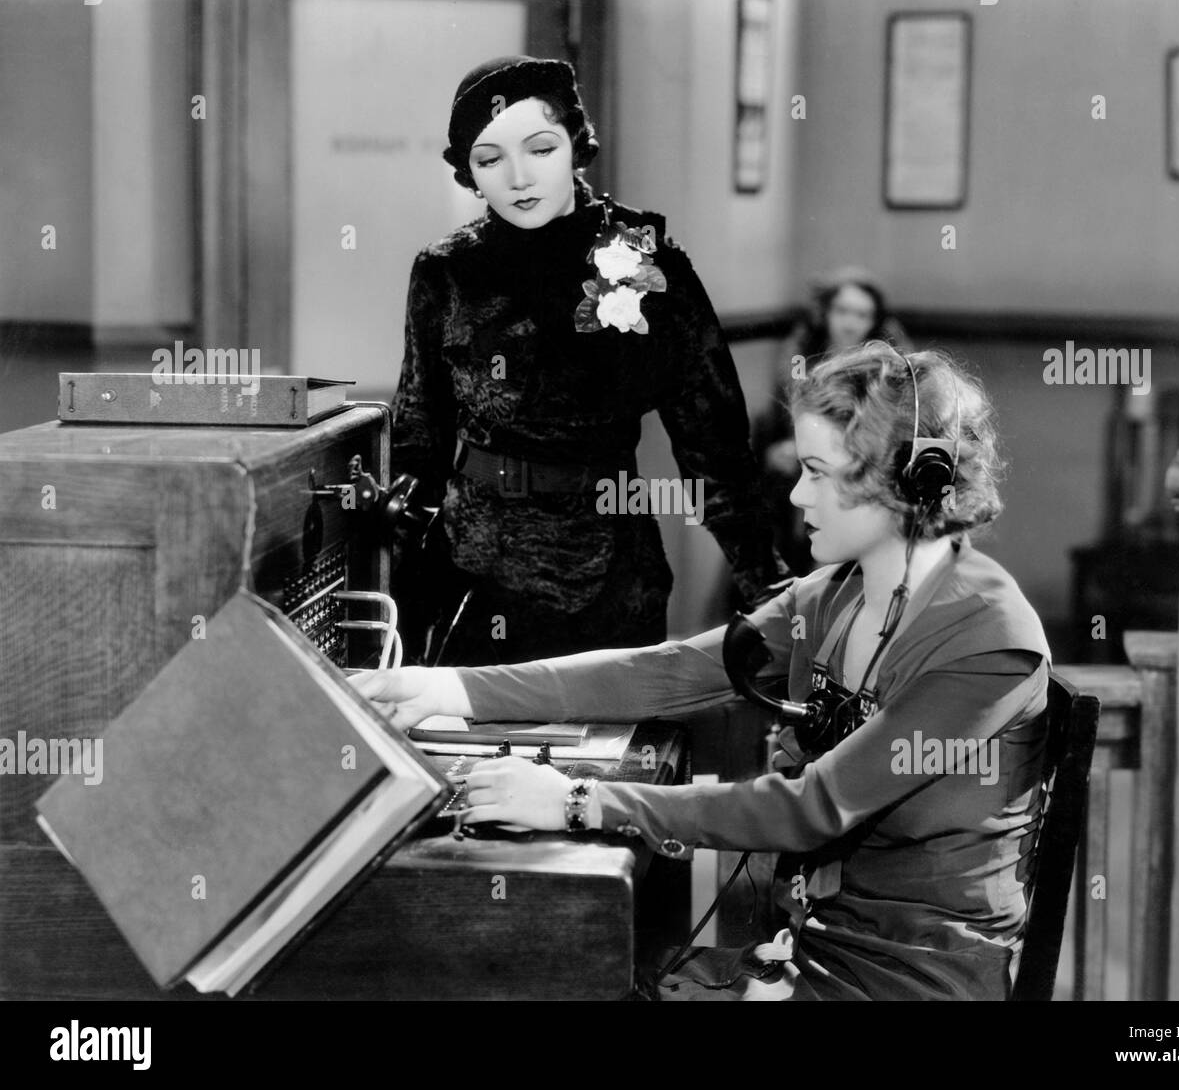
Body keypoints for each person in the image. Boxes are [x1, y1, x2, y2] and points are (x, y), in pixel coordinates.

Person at [354, 341, 1053, 1000]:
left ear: (904, 483)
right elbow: (668, 672)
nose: (795, 499)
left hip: (912, 977)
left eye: (818, 474)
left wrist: (578, 800)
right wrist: (448, 688)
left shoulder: (987, 641)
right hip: (814, 944)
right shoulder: (838, 591)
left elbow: (812, 806)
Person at [390, 55, 788, 666]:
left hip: (605, 573)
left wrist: (768, 588)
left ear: (576, 144)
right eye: (490, 159)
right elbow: (419, 430)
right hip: (470, 573)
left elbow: (715, 447)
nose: (518, 178)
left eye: (540, 149)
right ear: (469, 175)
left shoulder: (644, 260)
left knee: (610, 754)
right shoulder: (445, 270)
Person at [753, 266, 914, 576]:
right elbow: (777, 425)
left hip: (862, 468)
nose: (851, 323)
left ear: (875, 321)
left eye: (862, 315)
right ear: (825, 313)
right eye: (842, 311)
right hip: (799, 472)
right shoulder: (800, 357)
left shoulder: (886, 367)